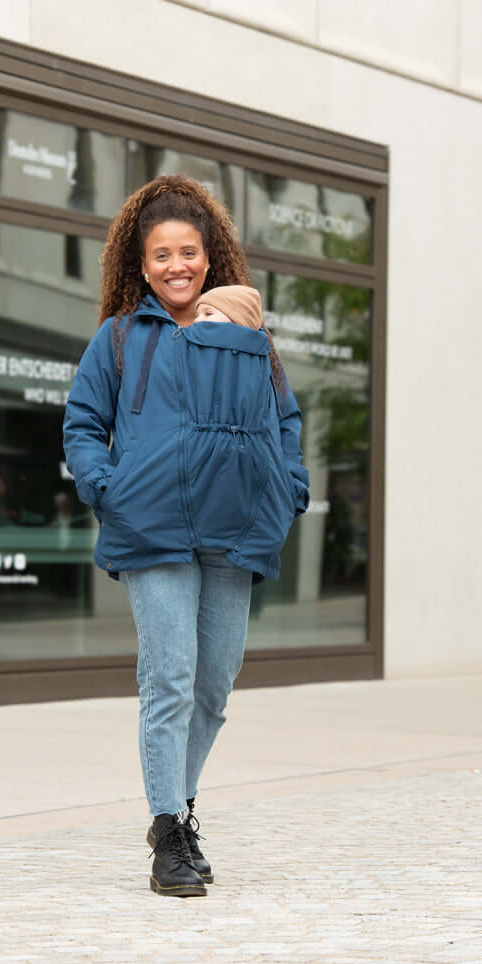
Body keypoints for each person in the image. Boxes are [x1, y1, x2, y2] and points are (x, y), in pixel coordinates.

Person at [62, 175, 309, 897]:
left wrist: (288, 487)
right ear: (141, 267)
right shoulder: (116, 339)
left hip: (232, 527)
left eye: (189, 252)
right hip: (153, 527)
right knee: (167, 677)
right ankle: (169, 829)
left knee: (213, 684)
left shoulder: (246, 341)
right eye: (162, 255)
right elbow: (82, 424)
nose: (176, 266)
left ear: (210, 258)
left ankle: (177, 806)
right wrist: (106, 488)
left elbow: (285, 422)